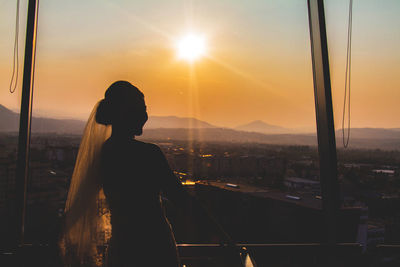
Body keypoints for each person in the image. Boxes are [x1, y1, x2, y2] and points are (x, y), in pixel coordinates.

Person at [61, 81, 186, 267]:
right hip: (155, 247)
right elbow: (180, 198)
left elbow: (79, 204)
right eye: (142, 109)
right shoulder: (149, 154)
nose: (145, 115)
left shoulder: (103, 154)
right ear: (127, 113)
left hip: (123, 247)